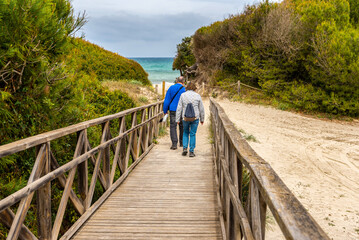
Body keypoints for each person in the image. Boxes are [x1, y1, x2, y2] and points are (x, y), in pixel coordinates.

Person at [176, 82, 205, 157]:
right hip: (195, 118)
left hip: (185, 118)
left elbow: (179, 108)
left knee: (185, 132)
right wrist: (202, 119)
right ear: (194, 88)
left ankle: (185, 148)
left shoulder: (183, 95)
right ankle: (191, 151)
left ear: (187, 88)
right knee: (192, 133)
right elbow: (201, 109)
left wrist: (177, 119)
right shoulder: (197, 96)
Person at [163, 76, 186, 150]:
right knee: (182, 126)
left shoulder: (171, 88)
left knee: (173, 126)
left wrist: (165, 110)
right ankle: (182, 143)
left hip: (173, 110)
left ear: (176, 81)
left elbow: (166, 100)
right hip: (182, 110)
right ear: (183, 82)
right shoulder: (184, 89)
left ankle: (174, 144)